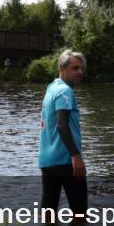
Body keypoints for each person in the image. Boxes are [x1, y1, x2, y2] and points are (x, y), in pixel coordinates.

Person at [38, 50, 88, 217]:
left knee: (48, 212)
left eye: (81, 68)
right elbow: (61, 125)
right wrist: (76, 156)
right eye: (75, 68)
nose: (80, 72)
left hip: (47, 160)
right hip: (66, 160)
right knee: (80, 214)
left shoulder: (52, 87)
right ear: (62, 68)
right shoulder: (65, 91)